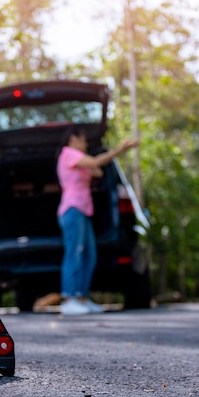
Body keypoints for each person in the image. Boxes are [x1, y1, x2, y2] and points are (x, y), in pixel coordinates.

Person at [56, 126, 139, 315]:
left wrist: (92, 161)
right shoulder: (68, 154)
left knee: (89, 255)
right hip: (72, 210)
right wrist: (120, 150)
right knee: (74, 254)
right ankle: (69, 298)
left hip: (84, 211)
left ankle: (82, 297)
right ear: (73, 140)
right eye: (83, 140)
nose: (85, 144)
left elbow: (98, 172)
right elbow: (96, 163)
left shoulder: (78, 159)